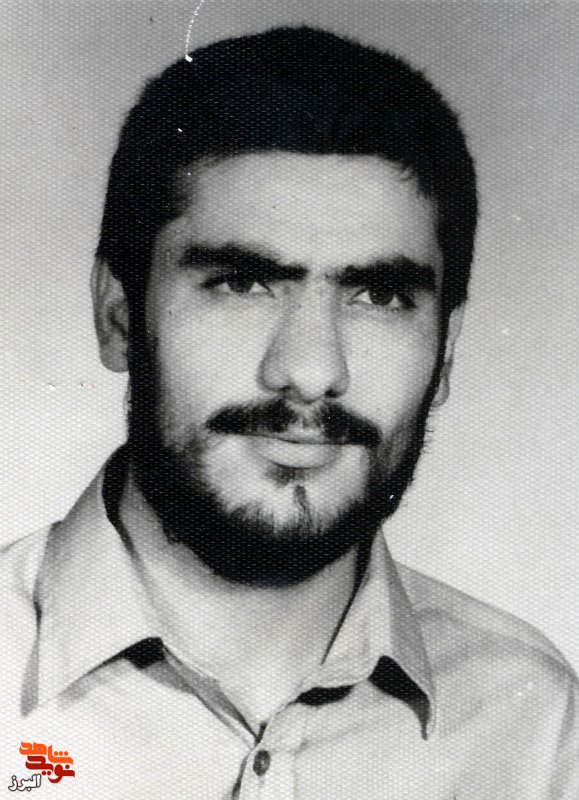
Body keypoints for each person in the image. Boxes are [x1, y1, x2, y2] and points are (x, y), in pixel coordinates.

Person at [1, 25, 577, 799]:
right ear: (118, 315)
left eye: (379, 296)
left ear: (445, 351)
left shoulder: (534, 727)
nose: (311, 372)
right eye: (241, 283)